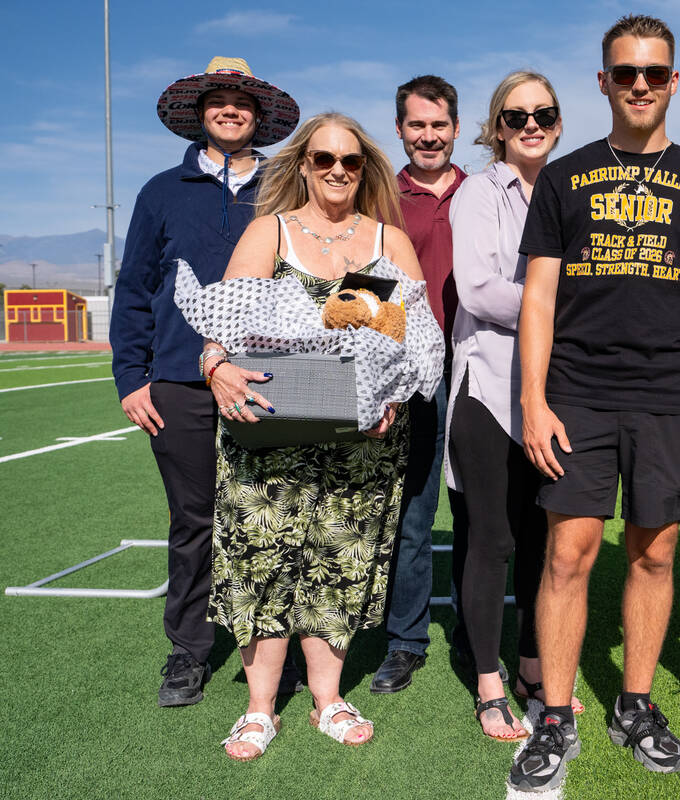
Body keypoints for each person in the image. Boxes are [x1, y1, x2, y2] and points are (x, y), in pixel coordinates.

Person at [509, 14, 680, 791]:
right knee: (567, 555)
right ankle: (555, 715)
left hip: (672, 396)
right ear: (603, 81)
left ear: (673, 81)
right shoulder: (564, 178)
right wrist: (533, 399)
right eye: (625, 72)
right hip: (577, 392)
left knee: (654, 553)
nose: (640, 85)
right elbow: (538, 299)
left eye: (654, 73)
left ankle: (635, 705)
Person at [200, 112, 432, 760]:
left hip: (361, 443)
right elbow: (221, 326)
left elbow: (413, 338)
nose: (337, 170)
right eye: (324, 158)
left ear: (364, 169)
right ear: (303, 164)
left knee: (341, 559)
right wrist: (215, 367)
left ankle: (328, 700)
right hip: (269, 435)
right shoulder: (268, 232)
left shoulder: (387, 241)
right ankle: (259, 710)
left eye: (349, 161)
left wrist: (393, 397)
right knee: (262, 558)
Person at [110, 57, 300, 707]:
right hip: (179, 382)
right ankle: (190, 650)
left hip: (268, 374)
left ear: (259, 115)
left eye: (242, 100)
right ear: (200, 111)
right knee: (193, 520)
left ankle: (273, 645)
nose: (230, 109)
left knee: (271, 515)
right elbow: (135, 288)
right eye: (218, 99)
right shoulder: (160, 191)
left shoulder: (287, 185)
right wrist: (131, 378)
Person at [446, 70, 584, 740]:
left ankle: (531, 666)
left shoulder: (573, 190)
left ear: (558, 123)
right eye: (516, 115)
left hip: (557, 392)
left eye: (543, 114)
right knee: (492, 540)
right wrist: (563, 307)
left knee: (541, 538)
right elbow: (477, 289)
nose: (531, 125)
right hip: (490, 389)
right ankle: (488, 682)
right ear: (496, 128)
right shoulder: (479, 192)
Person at [372, 74, 471, 695]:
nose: (428, 136)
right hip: (413, 375)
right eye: (417, 125)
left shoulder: (485, 192)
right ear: (400, 129)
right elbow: (366, 290)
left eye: (439, 125)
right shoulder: (381, 199)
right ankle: (406, 640)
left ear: (456, 128)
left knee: (476, 512)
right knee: (414, 512)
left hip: (481, 369)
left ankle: (473, 630)